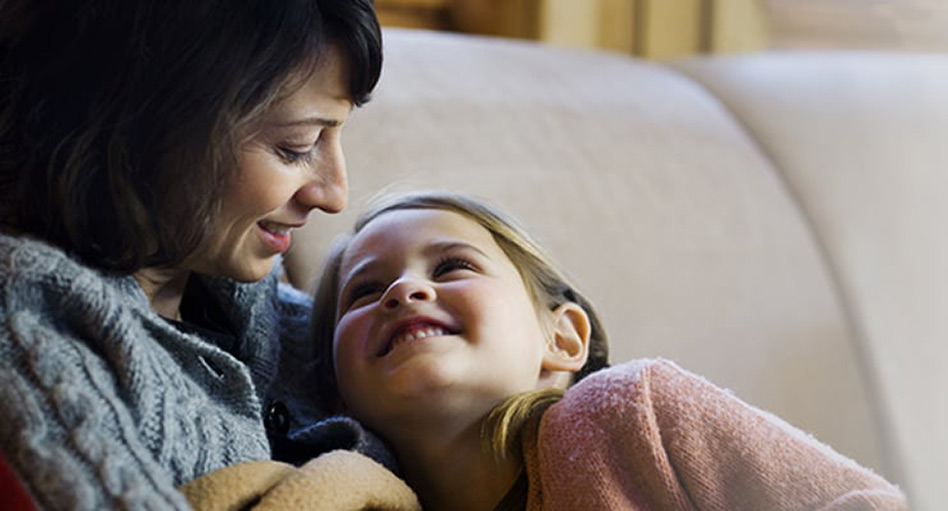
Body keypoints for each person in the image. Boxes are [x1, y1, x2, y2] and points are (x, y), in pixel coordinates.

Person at [0, 0, 383, 509]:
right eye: (296, 146)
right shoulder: (29, 322)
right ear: (140, 124)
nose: (334, 194)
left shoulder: (254, 303)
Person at [308, 191, 909, 511]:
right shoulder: (364, 497)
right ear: (335, 387)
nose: (403, 291)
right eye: (363, 291)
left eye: (452, 266)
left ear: (562, 338)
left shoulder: (628, 414)